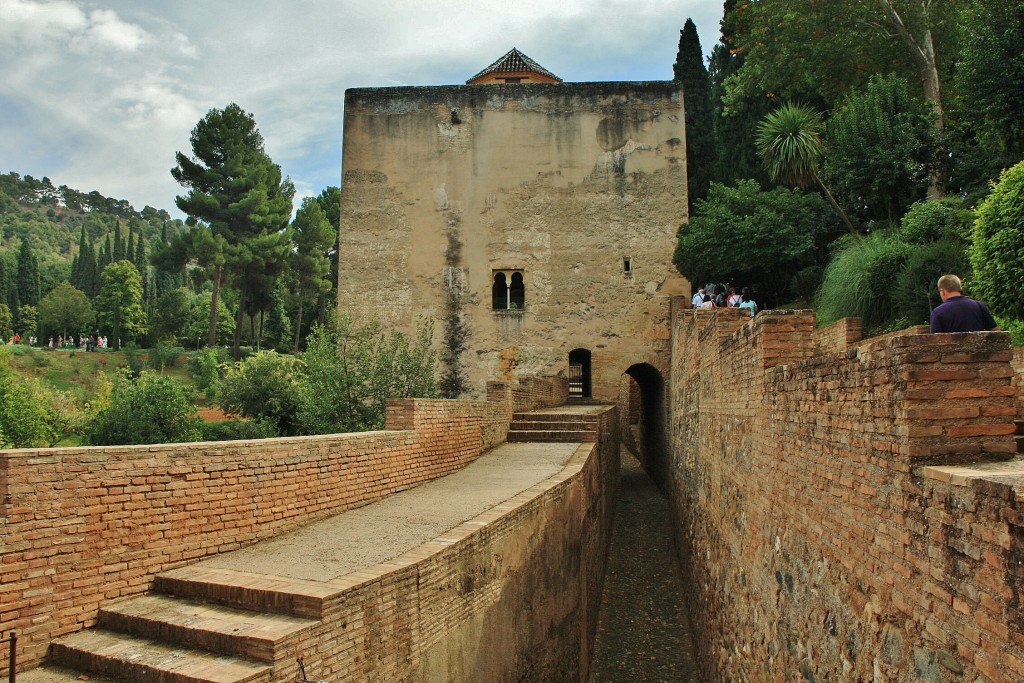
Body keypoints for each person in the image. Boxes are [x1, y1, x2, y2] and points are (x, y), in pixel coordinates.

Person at [929, 274, 999, 333]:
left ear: (943, 291)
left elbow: (934, 342)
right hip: (979, 349)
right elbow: (996, 332)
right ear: (959, 288)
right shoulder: (979, 306)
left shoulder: (937, 312)